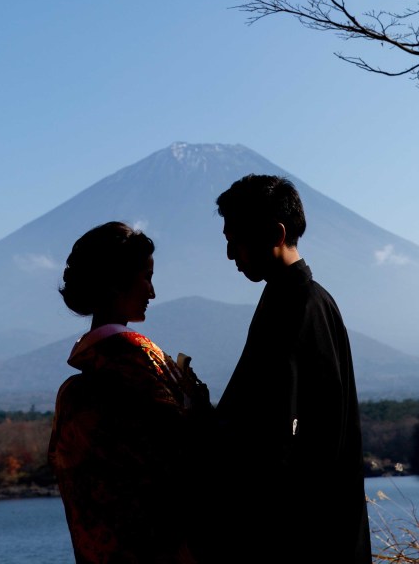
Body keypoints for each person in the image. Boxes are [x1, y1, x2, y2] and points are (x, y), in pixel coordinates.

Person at [214, 174, 372, 564]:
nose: (231, 255)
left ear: (274, 233)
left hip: (304, 535)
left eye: (235, 240)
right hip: (329, 527)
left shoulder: (294, 307)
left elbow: (273, 429)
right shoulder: (310, 300)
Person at [49, 221, 208, 564]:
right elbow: (187, 455)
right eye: (146, 277)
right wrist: (200, 409)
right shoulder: (142, 364)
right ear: (116, 282)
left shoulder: (74, 389)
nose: (152, 292)